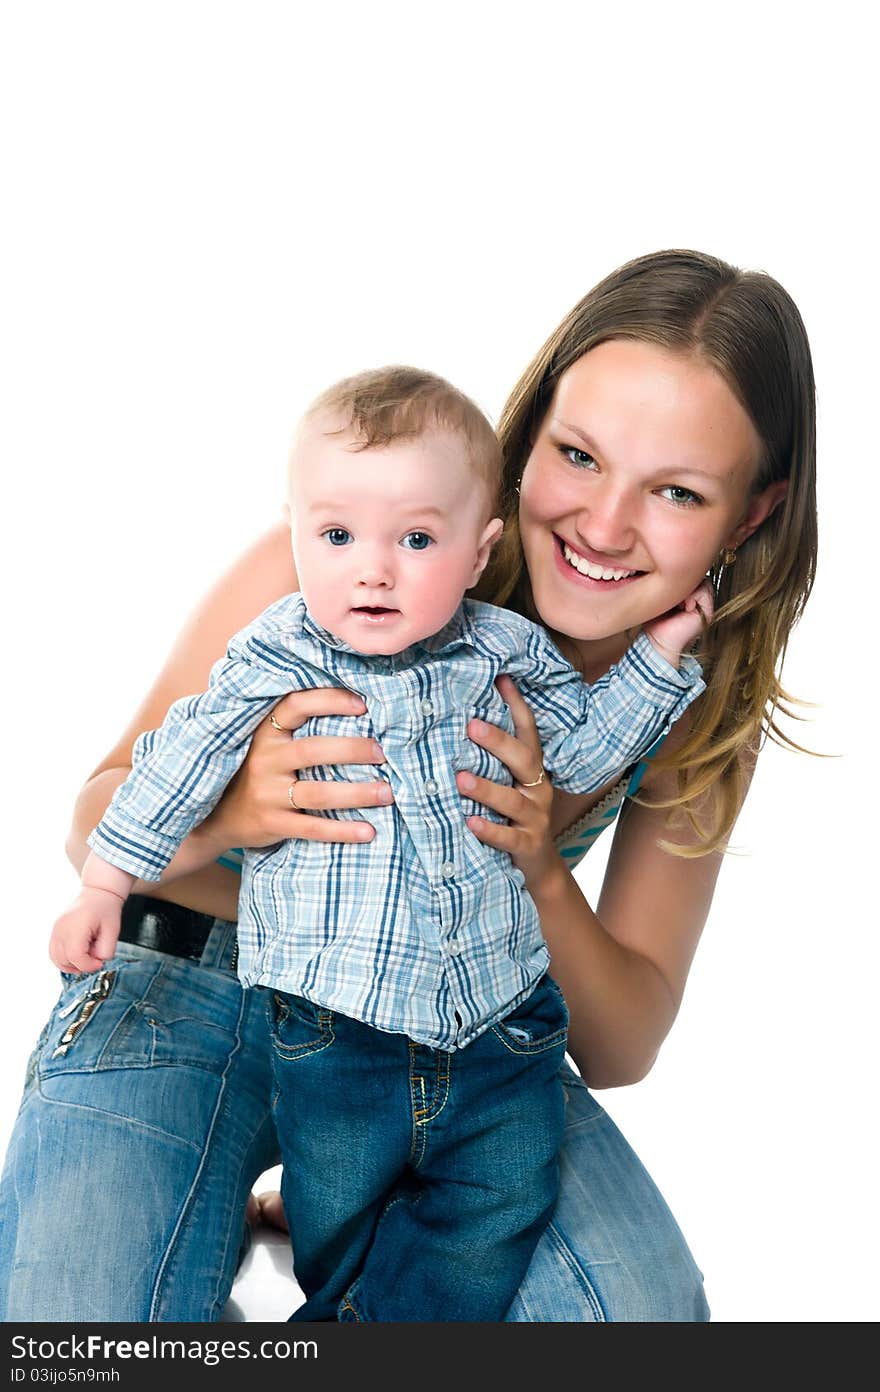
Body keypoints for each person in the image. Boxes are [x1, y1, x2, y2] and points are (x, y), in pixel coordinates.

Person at [0, 248, 816, 1323]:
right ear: (525, 445)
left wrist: (538, 869)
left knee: (636, 1311)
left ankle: (358, 1213)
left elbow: (620, 1044)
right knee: (81, 1324)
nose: (605, 526)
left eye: (674, 491)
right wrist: (241, 812)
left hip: (459, 1031)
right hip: (193, 980)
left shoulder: (686, 707)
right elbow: (95, 816)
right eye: (578, 457)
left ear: (750, 517)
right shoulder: (345, 573)